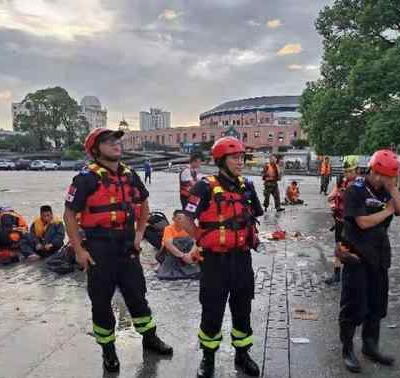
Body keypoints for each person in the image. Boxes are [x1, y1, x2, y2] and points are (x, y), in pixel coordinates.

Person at [63, 128, 172, 373]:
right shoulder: (85, 179)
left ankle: (150, 338)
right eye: (108, 141)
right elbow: (69, 214)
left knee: (137, 295)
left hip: (126, 246)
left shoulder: (130, 174)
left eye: (116, 141)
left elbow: (143, 204)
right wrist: (78, 250)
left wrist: (140, 233)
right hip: (99, 248)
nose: (115, 144)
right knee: (101, 302)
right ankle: (108, 351)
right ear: (95, 149)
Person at [177, 136, 264, 378]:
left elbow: (256, 213)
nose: (240, 162)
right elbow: (184, 218)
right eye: (235, 158)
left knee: (242, 309)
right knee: (212, 311)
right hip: (214, 262)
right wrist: (201, 239)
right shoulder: (204, 186)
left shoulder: (247, 186)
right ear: (221, 160)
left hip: (242, 259)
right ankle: (208, 358)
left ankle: (243, 354)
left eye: (242, 157)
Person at [337, 150, 400, 373]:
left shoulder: (388, 191)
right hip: (356, 256)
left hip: (379, 257)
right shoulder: (355, 190)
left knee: (376, 305)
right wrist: (387, 210)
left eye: (394, 178)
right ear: (376, 172)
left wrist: (394, 190)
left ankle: (370, 346)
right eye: (390, 177)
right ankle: (348, 349)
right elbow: (362, 222)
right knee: (354, 306)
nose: (392, 181)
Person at [325, 155, 359, 285]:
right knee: (338, 247)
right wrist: (334, 196)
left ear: (357, 170)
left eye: (350, 171)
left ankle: (353, 275)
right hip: (339, 220)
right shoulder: (341, 181)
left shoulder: (360, 185)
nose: (347, 174)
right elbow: (331, 196)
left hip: (353, 223)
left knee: (353, 249)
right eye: (346, 171)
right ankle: (336, 275)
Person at [157, 210, 200, 280]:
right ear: (173, 219)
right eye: (179, 219)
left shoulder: (189, 228)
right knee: (175, 242)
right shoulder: (168, 229)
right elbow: (169, 244)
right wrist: (182, 256)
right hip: (172, 254)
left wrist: (190, 254)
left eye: (184, 219)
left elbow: (196, 242)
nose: (182, 221)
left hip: (188, 253)